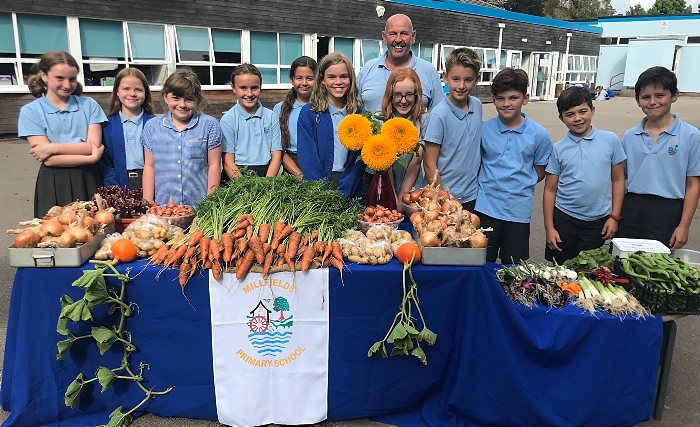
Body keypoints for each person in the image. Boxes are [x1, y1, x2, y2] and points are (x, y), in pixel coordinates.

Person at [474, 67, 552, 264]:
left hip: (518, 211)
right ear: (493, 99)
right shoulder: (484, 129)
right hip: (486, 208)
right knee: (482, 262)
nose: (506, 104)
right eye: (500, 98)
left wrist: (519, 182)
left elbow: (540, 170)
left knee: (514, 267)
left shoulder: (539, 134)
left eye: (513, 98)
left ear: (525, 98)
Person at [616, 66, 700, 249]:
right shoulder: (630, 136)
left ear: (674, 96)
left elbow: (693, 184)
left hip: (667, 210)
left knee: (655, 269)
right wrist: (615, 216)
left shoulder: (691, 136)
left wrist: (684, 226)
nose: (652, 102)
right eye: (646, 97)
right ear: (638, 101)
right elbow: (620, 178)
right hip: (631, 207)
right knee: (621, 263)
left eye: (659, 95)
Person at [18, 50, 107, 218]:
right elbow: (50, 160)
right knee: (54, 236)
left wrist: (52, 147)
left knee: (94, 233)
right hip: (53, 182)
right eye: (59, 78)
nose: (67, 85)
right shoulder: (30, 111)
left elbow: (91, 146)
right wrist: (91, 158)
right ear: (43, 75)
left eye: (72, 79)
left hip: (88, 178)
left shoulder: (89, 105)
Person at [543, 87, 626, 263]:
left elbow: (618, 179)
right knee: (561, 270)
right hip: (564, 218)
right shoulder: (558, 149)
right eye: (570, 114)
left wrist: (614, 217)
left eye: (583, 111)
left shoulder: (610, 140)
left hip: (598, 220)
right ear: (561, 118)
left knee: (590, 270)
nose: (578, 118)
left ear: (592, 110)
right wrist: (550, 228)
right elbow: (550, 190)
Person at [141, 68, 222, 206]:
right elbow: (149, 166)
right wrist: (148, 201)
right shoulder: (151, 127)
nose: (182, 105)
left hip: (198, 205)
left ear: (199, 100)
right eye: (176, 98)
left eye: (189, 99)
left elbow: (214, 164)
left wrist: (211, 201)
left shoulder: (209, 125)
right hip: (164, 207)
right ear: (165, 97)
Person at [297, 52, 365, 198]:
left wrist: (345, 191)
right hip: (318, 188)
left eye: (344, 76)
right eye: (332, 77)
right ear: (322, 79)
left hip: (351, 186)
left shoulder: (359, 114)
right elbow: (307, 156)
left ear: (351, 79)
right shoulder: (309, 113)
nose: (338, 82)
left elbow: (358, 160)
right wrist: (322, 192)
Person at [422, 48, 482, 211]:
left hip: (472, 195)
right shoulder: (438, 116)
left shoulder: (477, 105)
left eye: (468, 80)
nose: (461, 86)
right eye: (456, 79)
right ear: (445, 77)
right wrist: (443, 199)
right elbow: (429, 164)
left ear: (477, 79)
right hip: (446, 198)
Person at [357, 13, 446, 114]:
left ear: (413, 36)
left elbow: (440, 116)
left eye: (404, 33)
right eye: (393, 34)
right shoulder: (367, 70)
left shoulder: (429, 72)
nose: (398, 39)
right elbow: (353, 109)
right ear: (384, 37)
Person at [220, 64, 282, 179]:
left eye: (254, 88)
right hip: (236, 176)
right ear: (233, 88)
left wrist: (266, 184)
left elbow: (277, 155)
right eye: (243, 88)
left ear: (260, 87)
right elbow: (228, 162)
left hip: (266, 175)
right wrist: (246, 188)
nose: (249, 94)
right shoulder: (228, 120)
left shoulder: (271, 116)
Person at [100, 68, 156, 190]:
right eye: (126, 89)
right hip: (119, 182)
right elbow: (106, 164)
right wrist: (114, 190)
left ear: (145, 93)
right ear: (117, 92)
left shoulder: (156, 124)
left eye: (138, 90)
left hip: (152, 182)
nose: (132, 94)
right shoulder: (107, 126)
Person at [379, 67, 428, 199]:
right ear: (390, 95)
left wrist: (402, 197)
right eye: (397, 95)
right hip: (385, 191)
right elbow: (385, 163)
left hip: (413, 191)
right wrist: (394, 198)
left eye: (409, 94)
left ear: (417, 95)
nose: (403, 100)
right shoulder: (379, 121)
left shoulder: (425, 121)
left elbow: (416, 162)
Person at [273, 56, 317, 179]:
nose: (304, 83)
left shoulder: (323, 107)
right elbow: (278, 148)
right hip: (291, 166)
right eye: (299, 78)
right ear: (292, 80)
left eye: (310, 78)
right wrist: (299, 175)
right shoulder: (280, 109)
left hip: (318, 165)